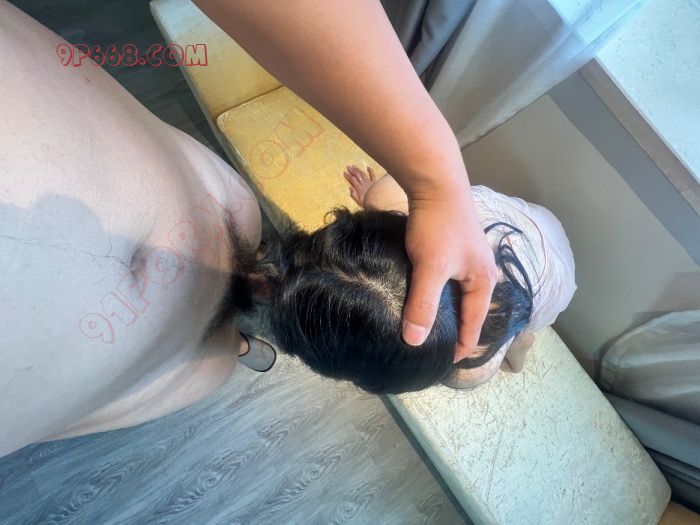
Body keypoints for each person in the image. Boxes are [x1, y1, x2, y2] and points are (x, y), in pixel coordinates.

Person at [246, 166, 576, 394]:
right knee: (510, 320)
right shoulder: (389, 196)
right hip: (534, 227)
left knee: (517, 331)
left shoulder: (471, 368)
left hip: (550, 279)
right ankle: (520, 336)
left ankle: (521, 342)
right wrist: (372, 197)